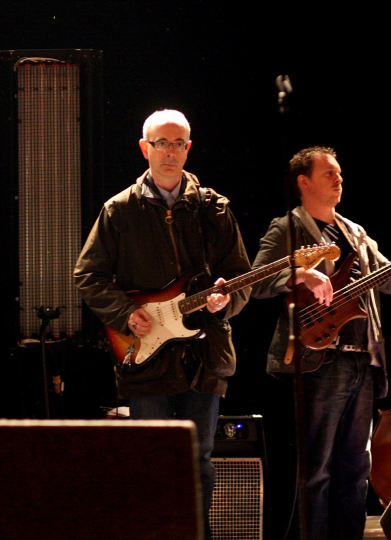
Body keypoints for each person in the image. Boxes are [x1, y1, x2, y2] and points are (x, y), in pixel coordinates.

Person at [250, 146, 391, 540]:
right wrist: (300, 275)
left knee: (355, 470)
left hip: (361, 363)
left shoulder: (355, 233)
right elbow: (257, 282)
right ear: (304, 181)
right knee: (314, 472)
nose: (340, 179)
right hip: (317, 363)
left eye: (340, 174)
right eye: (330, 173)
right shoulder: (287, 229)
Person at [73, 109, 251, 536]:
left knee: (199, 457)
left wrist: (222, 304)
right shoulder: (118, 210)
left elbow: (242, 281)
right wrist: (124, 313)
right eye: (161, 143)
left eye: (178, 144)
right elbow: (88, 274)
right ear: (144, 148)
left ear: (188, 148)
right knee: (150, 459)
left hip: (204, 354)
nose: (170, 152)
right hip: (146, 354)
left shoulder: (215, 208)